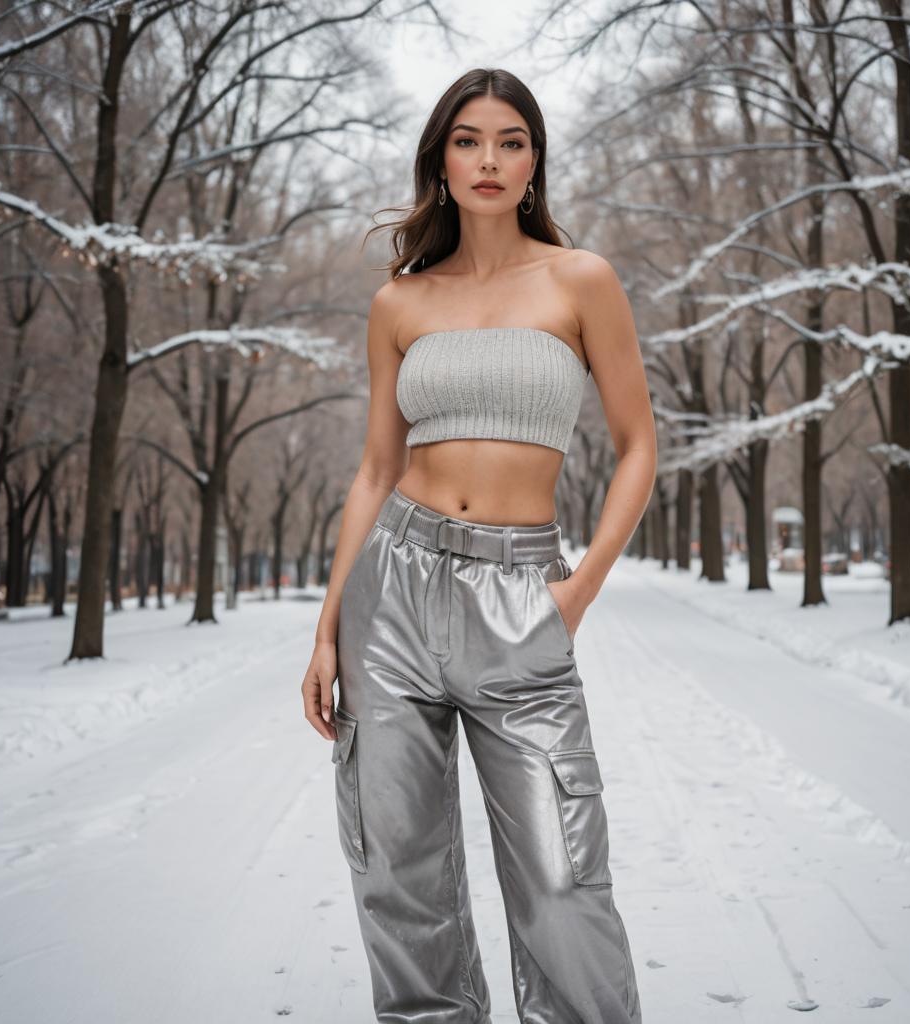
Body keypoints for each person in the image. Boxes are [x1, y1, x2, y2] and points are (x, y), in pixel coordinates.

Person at [301, 67, 656, 1024]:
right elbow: (374, 473)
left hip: (521, 594)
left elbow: (638, 448)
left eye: (510, 140)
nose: (489, 160)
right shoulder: (399, 303)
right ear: (441, 160)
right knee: (399, 877)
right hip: (394, 596)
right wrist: (330, 627)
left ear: (535, 160)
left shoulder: (580, 280)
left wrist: (574, 592)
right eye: (468, 140)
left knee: (561, 877)